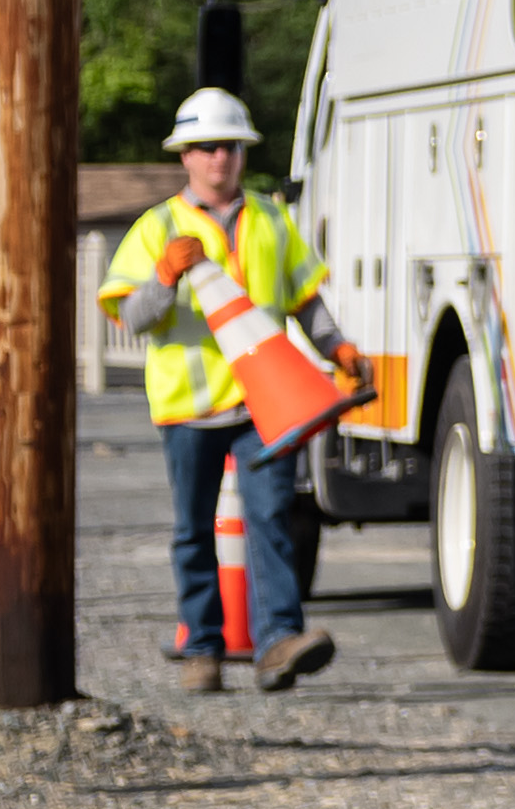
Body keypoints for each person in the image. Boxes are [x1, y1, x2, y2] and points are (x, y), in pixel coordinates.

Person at [101, 86, 346, 693]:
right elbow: (133, 318)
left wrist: (339, 349)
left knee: (271, 517)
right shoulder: (158, 226)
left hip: (263, 401)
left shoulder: (269, 218)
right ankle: (202, 650)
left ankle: (279, 642)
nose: (220, 159)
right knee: (193, 528)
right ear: (185, 156)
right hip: (189, 405)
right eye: (207, 148)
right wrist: (162, 277)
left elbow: (303, 300)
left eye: (230, 147)